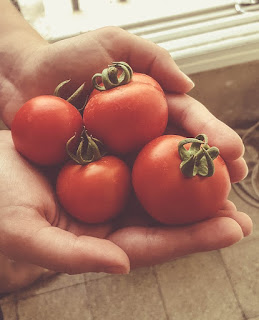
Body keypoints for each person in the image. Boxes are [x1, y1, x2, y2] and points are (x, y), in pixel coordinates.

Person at [0, 0, 253, 295]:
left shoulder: (130, 111)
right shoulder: (141, 94)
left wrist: (13, 63)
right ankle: (13, 269)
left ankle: (12, 269)